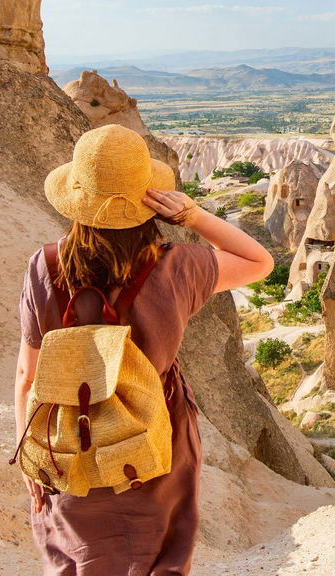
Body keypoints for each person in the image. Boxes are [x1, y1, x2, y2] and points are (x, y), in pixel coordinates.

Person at [15, 124, 272, 575]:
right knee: (157, 552)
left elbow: (27, 378)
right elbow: (259, 262)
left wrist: (30, 459)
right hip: (155, 430)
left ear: (77, 199)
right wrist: (192, 216)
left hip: (69, 435)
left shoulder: (46, 265)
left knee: (80, 556)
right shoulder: (179, 265)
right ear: (149, 199)